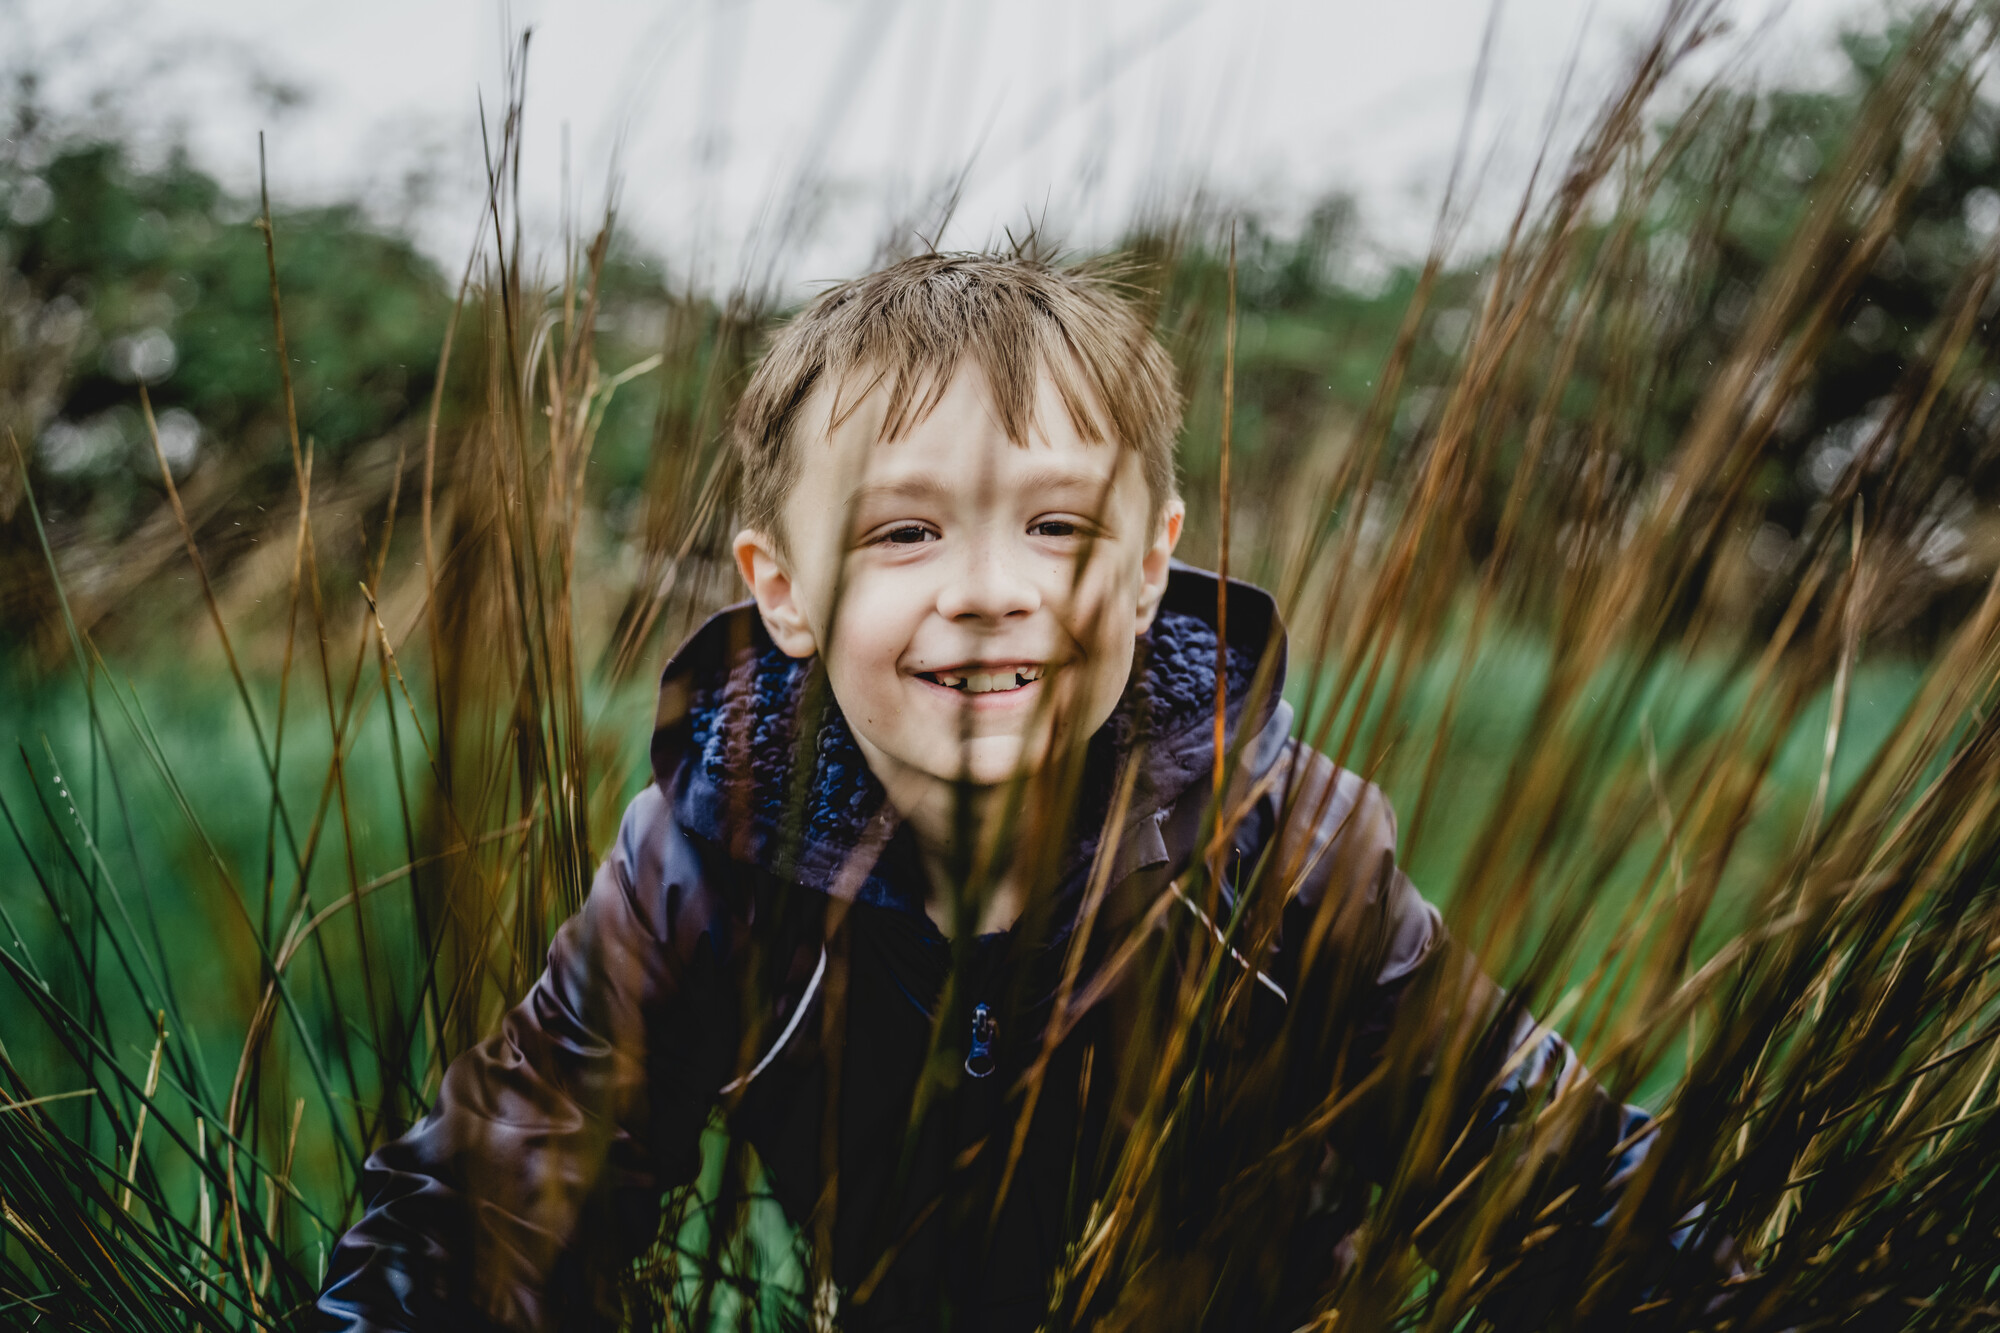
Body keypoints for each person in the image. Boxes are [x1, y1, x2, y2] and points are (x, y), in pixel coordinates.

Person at [315, 252, 1729, 1332]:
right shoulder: (706, 858)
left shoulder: (1285, 845)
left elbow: (1549, 1177)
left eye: (1056, 525)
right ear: (783, 589)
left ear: (1148, 566)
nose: (990, 591)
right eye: (904, 531)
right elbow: (486, 1209)